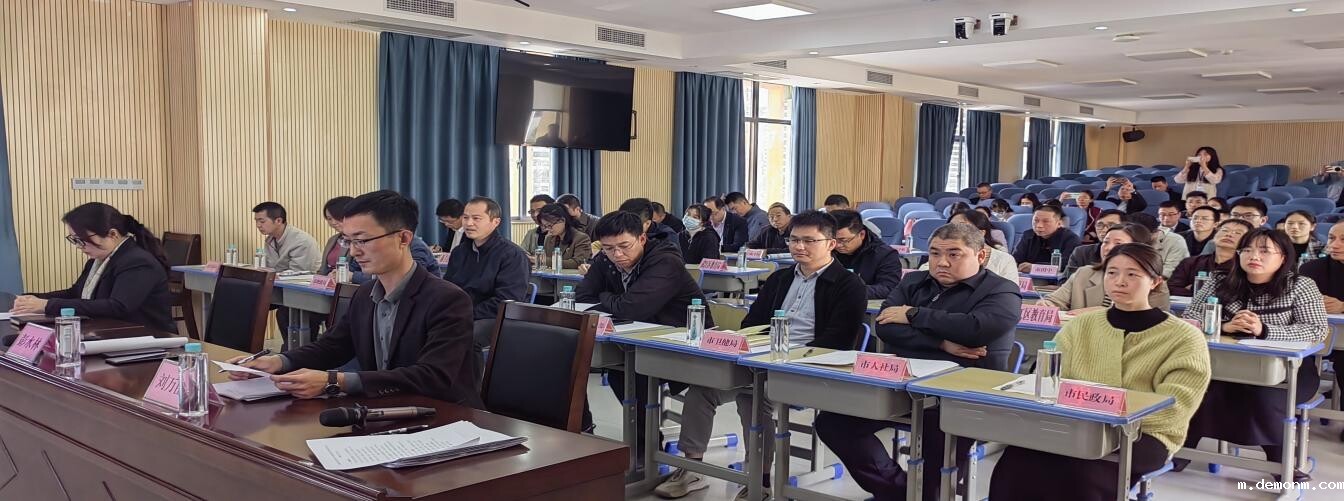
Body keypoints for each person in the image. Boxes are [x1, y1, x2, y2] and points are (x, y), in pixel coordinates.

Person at [654, 211, 864, 500]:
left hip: (808, 370)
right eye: (794, 240)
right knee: (702, 390)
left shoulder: (849, 285)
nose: (799, 246)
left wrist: (789, 358)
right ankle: (692, 469)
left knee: (753, 398)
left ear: (831, 243)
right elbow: (752, 324)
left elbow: (838, 342)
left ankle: (760, 482)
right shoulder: (779, 279)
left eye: (809, 241)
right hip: (760, 361)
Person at [817, 222, 1021, 501]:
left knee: (937, 447)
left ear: (981, 256)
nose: (942, 262)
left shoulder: (1001, 290)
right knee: (833, 423)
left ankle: (926, 495)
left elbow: (976, 329)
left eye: (954, 254)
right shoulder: (914, 281)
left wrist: (913, 314)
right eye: (935, 253)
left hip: (961, 395)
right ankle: (897, 490)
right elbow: (885, 326)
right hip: (902, 384)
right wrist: (941, 343)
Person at [989, 243, 1210, 501]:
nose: (1119, 281)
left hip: (1143, 435)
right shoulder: (1080, 325)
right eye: (1112, 272)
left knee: (1082, 472)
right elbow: (1049, 380)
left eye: (1132, 274)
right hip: (1074, 425)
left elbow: (1174, 409)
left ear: (1155, 281)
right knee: (1018, 461)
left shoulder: (1184, 337)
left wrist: (1108, 422)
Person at [226, 190, 480, 406]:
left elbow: (432, 376)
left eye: (362, 240)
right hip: (384, 407)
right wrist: (278, 361)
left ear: (403, 238)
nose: (354, 252)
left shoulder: (447, 299)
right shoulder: (364, 295)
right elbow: (334, 346)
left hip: (443, 416)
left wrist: (336, 380)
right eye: (349, 242)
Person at [1177, 228, 1328, 481]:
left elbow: (1316, 330)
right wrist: (1223, 326)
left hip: (1288, 371)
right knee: (1200, 389)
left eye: (1264, 251)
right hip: (1225, 366)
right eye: (1247, 249)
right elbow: (1189, 318)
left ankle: (1280, 462)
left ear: (1283, 257)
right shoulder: (1219, 280)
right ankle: (1183, 450)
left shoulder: (1300, 285)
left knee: (1261, 394)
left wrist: (1264, 330)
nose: (1254, 256)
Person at [575, 211, 714, 465]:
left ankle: (646, 453)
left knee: (632, 375)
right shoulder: (606, 258)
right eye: (608, 248)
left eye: (624, 246)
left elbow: (632, 308)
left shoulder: (665, 261)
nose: (617, 254)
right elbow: (582, 295)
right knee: (603, 368)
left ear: (642, 238)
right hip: (635, 341)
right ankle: (583, 434)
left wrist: (605, 296)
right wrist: (616, 301)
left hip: (681, 345)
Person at [10, 202, 175, 333]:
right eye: (74, 240)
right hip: (109, 332)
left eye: (82, 239)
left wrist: (47, 305)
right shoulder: (98, 260)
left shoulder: (138, 262)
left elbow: (117, 307)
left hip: (146, 338)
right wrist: (30, 299)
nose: (79, 246)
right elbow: (75, 293)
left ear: (112, 234)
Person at [442, 196, 531, 384]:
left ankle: (470, 394)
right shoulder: (459, 252)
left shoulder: (512, 255)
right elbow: (447, 290)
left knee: (468, 335)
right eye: (465, 218)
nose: (469, 223)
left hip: (496, 318)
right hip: (462, 314)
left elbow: (506, 301)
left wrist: (465, 315)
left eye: (476, 218)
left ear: (495, 222)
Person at [1040, 223, 1171, 312]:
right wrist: (1045, 305)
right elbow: (1055, 301)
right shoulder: (1084, 273)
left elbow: (1153, 321)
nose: (1108, 248)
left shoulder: (1150, 280)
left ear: (1139, 248)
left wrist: (1098, 315)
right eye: (1105, 242)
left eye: (1118, 244)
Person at [1298, 220, 1344, 440]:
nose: (1334, 244)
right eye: (1332, 238)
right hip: (1312, 335)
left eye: (1343, 240)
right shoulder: (1311, 269)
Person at [918, 210, 1018, 282]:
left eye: (962, 228)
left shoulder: (1004, 259)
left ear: (981, 233)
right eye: (950, 227)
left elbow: (1009, 293)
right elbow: (922, 276)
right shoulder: (941, 253)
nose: (953, 232)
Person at [831, 209, 904, 299]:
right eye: (832, 240)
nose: (837, 245)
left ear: (862, 234)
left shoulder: (885, 254)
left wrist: (851, 290)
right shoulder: (825, 249)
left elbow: (889, 288)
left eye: (843, 240)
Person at [1168, 218, 1252, 296]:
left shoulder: (1246, 267)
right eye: (1225, 230)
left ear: (1248, 240)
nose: (1229, 234)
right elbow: (1171, 288)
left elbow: (1240, 294)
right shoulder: (1191, 262)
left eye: (1238, 233)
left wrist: (1195, 289)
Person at [252, 202, 321, 273]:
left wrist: (273, 273)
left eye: (262, 221)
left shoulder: (302, 241)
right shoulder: (269, 240)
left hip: (301, 279)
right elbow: (271, 268)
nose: (258, 225)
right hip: (278, 279)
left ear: (278, 221)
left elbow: (298, 274)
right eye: (256, 221)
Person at [1013, 205, 1081, 271]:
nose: (1039, 225)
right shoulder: (1028, 235)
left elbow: (1066, 266)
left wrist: (1035, 268)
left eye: (1046, 221)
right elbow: (1016, 259)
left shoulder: (1071, 239)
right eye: (1036, 220)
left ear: (1059, 224)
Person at [1064, 210, 1125, 278]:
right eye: (1100, 225)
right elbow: (1066, 280)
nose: (1104, 230)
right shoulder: (1081, 252)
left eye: (1111, 225)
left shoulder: (1131, 253)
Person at [1127, 212, 1189, 278]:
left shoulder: (1175, 241)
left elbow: (1169, 272)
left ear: (1156, 231)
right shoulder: (1128, 239)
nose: (1136, 239)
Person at [537, 203, 592, 269]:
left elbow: (578, 263)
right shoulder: (549, 238)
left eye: (550, 225)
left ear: (563, 220)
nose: (548, 229)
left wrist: (543, 260)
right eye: (545, 226)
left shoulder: (581, 238)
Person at [318, 196, 354, 275]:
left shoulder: (362, 240)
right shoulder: (332, 239)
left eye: (337, 217)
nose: (333, 222)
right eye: (329, 219)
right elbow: (323, 269)